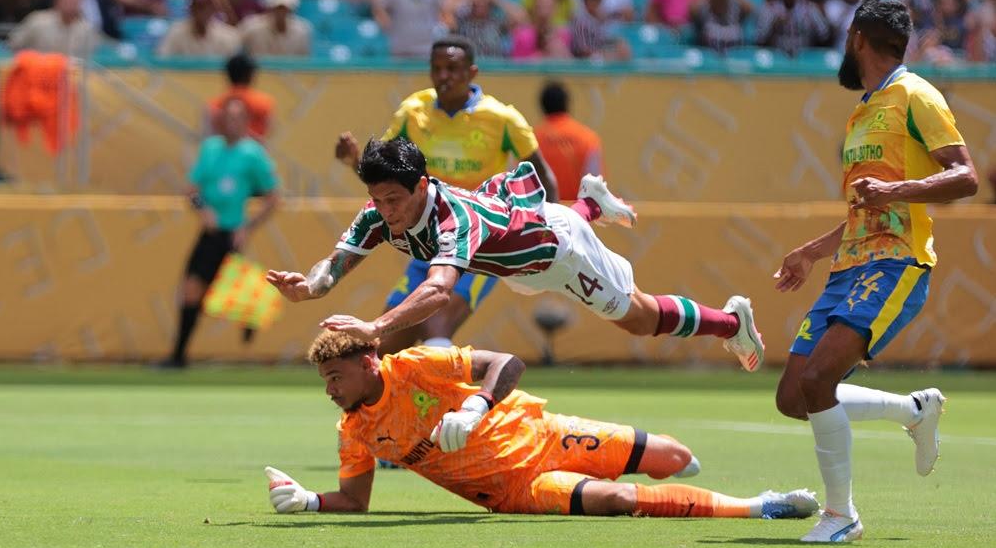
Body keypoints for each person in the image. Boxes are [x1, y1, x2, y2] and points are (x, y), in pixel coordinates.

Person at [267, 137, 766, 372]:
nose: (384, 211)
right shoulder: (380, 211)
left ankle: (731, 322)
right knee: (521, 256)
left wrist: (376, 328)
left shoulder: (452, 220)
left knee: (637, 318)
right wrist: (311, 287)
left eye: (393, 200)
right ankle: (592, 201)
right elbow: (335, 262)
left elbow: (440, 290)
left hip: (558, 254)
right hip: (516, 261)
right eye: (376, 199)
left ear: (421, 185)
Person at [772, 0, 978, 542]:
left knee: (819, 380)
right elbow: (866, 208)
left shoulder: (916, 95)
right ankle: (914, 409)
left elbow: (966, 177)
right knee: (794, 396)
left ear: (858, 38)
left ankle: (841, 517)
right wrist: (813, 252)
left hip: (897, 263)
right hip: (848, 266)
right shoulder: (865, 107)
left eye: (846, 37)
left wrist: (897, 190)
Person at [264, 333, 820, 520]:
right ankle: (758, 505)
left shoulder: (414, 366)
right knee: (621, 499)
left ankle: (681, 481)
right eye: (325, 381)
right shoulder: (354, 431)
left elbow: (508, 363)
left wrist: (477, 405)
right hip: (516, 489)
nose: (329, 390)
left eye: (335, 377)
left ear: (368, 365)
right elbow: (354, 502)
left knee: (673, 456)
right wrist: (310, 501)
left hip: (543, 431)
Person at [331, 36, 560, 355]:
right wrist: (354, 161)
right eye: (436, 69)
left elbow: (544, 179)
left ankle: (459, 404)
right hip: (427, 240)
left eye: (452, 69)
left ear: (472, 73)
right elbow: (383, 179)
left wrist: (538, 235)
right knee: (386, 344)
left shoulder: (502, 119)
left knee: (436, 325)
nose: (443, 76)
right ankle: (393, 405)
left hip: (481, 242)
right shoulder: (413, 112)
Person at [162, 97, 280, 368]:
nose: (232, 123)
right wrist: (204, 212)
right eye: (228, 117)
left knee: (221, 288)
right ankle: (179, 356)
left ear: (246, 123)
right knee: (193, 290)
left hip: (232, 234)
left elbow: (273, 197)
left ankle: (251, 310)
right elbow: (191, 191)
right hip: (211, 232)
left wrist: (247, 227)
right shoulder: (211, 149)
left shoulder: (252, 154)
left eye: (238, 118)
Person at [534, 81, 603, 201]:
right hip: (576, 214)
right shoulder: (588, 138)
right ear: (567, 103)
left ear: (542, 105)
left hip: (542, 214)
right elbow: (595, 186)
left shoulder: (532, 139)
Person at [8, 0, 100, 56]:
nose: (71, 2)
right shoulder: (37, 20)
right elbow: (14, 45)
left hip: (72, 74)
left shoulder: (86, 29)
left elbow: (89, 59)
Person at [207, 53, 275, 141]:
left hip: (223, 152)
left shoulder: (215, 104)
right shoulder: (264, 103)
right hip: (254, 149)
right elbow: (269, 128)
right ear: (250, 75)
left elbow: (209, 134)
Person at [157, 0, 242, 57]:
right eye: (199, 8)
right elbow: (163, 60)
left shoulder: (228, 36)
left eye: (207, 9)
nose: (203, 13)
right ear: (191, 10)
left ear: (213, 10)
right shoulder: (175, 32)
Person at [238, 0, 311, 57]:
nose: (281, 12)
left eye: (285, 8)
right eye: (277, 8)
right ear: (269, 7)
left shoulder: (303, 31)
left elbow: (303, 62)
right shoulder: (250, 27)